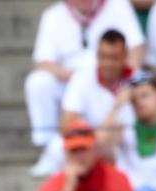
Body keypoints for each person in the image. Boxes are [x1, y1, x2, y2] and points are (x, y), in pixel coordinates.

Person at [26, 0, 144, 169]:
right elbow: (42, 62)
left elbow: (137, 46)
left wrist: (128, 77)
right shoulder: (53, 15)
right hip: (70, 80)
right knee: (37, 82)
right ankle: (48, 148)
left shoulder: (118, 5)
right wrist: (74, 76)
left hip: (117, 84)